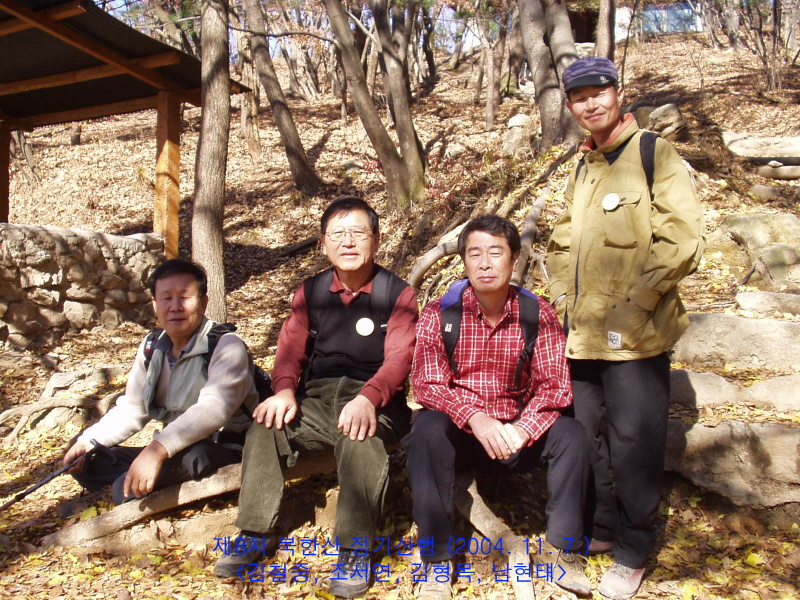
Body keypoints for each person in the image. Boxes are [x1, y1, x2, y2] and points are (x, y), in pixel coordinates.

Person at [546, 56, 705, 600]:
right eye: (578, 97)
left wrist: (638, 303)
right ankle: (605, 527)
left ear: (618, 93)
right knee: (584, 435)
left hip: (636, 335)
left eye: (598, 92)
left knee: (635, 443)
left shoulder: (652, 152)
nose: (590, 103)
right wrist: (561, 299)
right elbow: (561, 240)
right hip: (582, 334)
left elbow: (682, 236)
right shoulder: (582, 166)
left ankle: (634, 551)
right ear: (570, 106)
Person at [213, 197, 418, 598]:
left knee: (360, 438)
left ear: (376, 240)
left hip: (377, 401)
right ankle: (254, 532)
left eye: (358, 232)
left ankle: (355, 550)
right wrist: (283, 391)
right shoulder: (311, 292)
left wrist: (369, 398)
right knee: (266, 426)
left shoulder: (397, 294)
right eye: (337, 234)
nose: (348, 242)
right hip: (318, 399)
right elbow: (290, 350)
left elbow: (400, 358)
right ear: (323, 243)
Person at [404, 215, 592, 600]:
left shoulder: (537, 313)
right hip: (462, 435)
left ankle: (562, 550)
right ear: (464, 261)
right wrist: (474, 417)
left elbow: (555, 386)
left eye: (495, 253)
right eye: (475, 254)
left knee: (573, 435)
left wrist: (524, 428)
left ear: (515, 257)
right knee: (426, 430)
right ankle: (437, 560)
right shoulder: (441, 313)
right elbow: (427, 383)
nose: (485, 264)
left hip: (516, 434)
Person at [63, 258, 258, 505]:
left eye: (184, 297)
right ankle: (142, 479)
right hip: (172, 448)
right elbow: (133, 409)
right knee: (90, 463)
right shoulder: (151, 347)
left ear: (204, 302)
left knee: (130, 485)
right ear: (155, 304)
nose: (175, 307)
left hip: (223, 447)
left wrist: (157, 449)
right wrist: (88, 442)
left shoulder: (226, 345)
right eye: (166, 298)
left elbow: (214, 409)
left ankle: (132, 484)